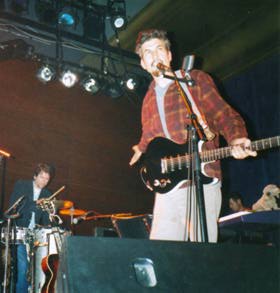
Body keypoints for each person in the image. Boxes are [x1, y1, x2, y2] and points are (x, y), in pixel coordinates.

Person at [129, 29, 257, 243]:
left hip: (202, 178)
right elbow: (150, 135)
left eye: (159, 49)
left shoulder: (193, 80)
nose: (154, 56)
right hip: (168, 186)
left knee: (201, 253)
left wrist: (236, 137)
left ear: (169, 56)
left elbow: (223, 114)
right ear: (143, 63)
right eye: (147, 52)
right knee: (163, 254)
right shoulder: (148, 98)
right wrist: (141, 148)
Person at [8, 163, 54, 293]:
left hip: (36, 235)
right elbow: (14, 208)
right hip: (21, 232)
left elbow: (45, 220)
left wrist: (50, 219)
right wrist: (35, 204)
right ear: (35, 176)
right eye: (41, 177)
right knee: (23, 268)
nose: (44, 181)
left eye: (47, 179)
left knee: (36, 268)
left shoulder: (47, 193)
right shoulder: (22, 185)